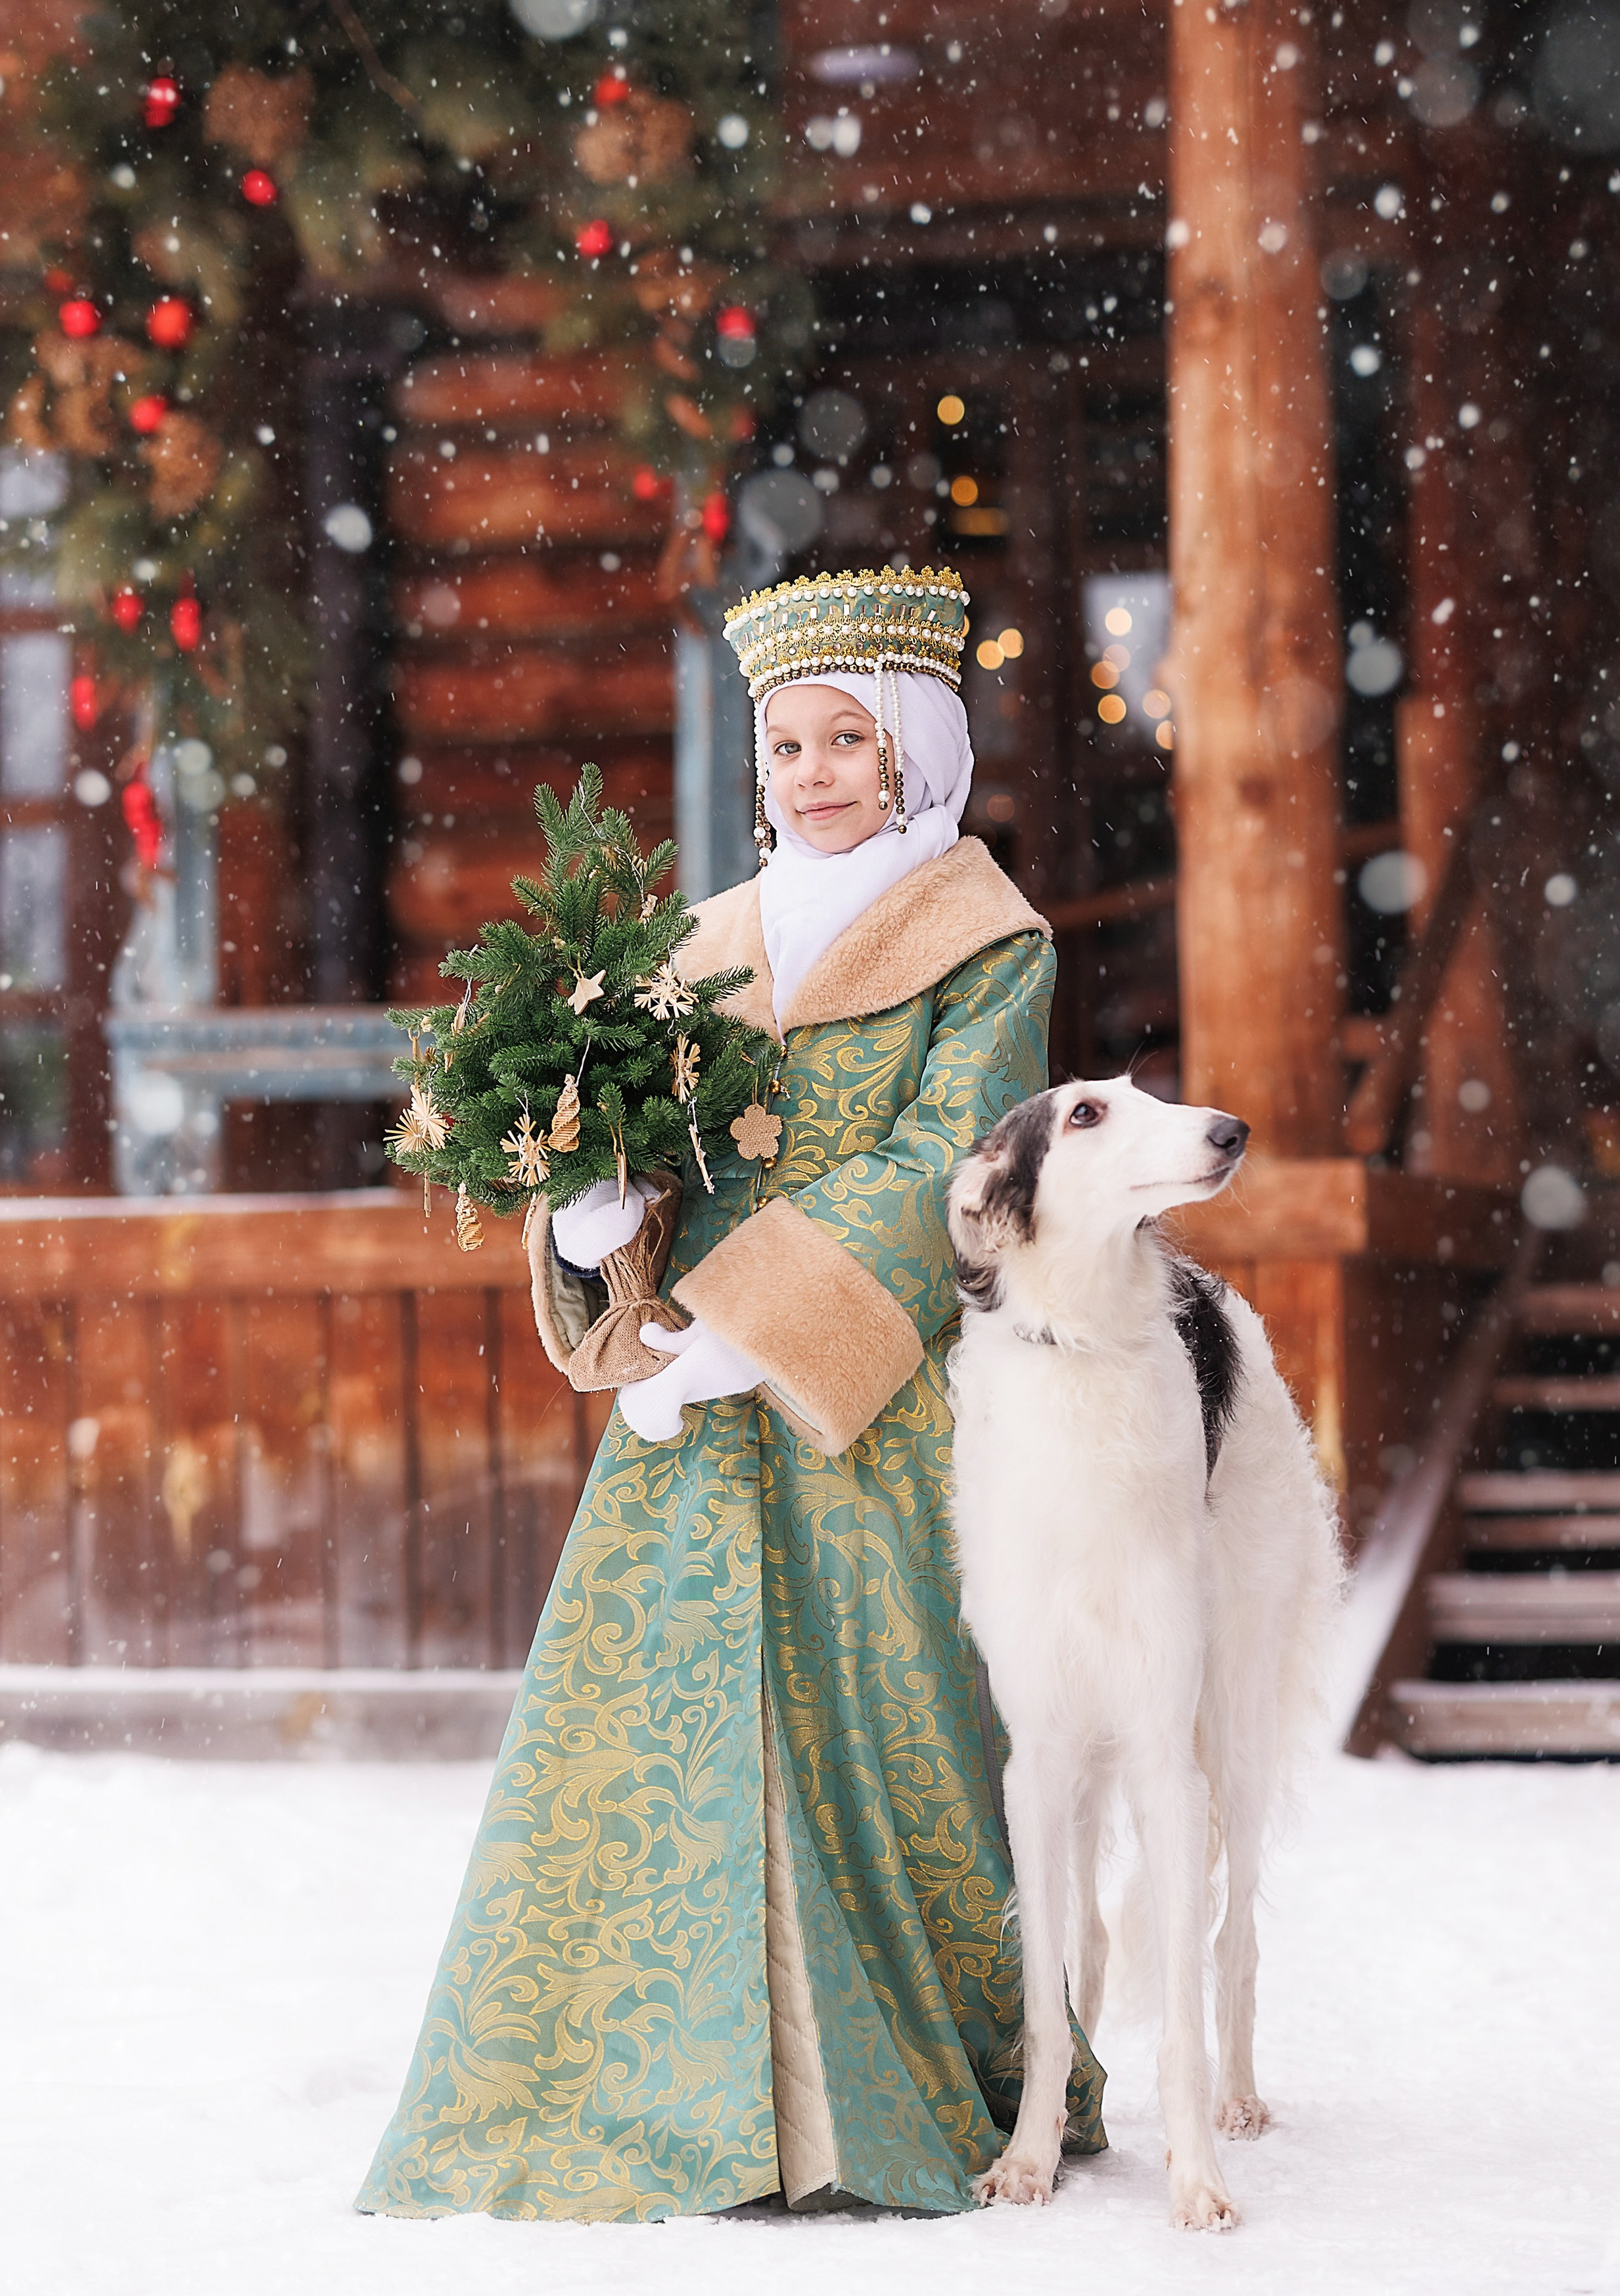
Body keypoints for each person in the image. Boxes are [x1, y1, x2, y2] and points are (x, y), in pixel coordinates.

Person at [357, 566, 1105, 2223]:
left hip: (873, 1404)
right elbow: (644, 1145)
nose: (814, 771)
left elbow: (951, 1162)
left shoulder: (987, 943)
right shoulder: (696, 946)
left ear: (916, 749)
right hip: (688, 1407)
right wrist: (594, 1221)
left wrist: (765, 1325)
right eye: (784, 744)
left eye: (850, 738)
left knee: (891, 1722)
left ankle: (904, 2090)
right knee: (655, 1735)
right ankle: (656, 2087)